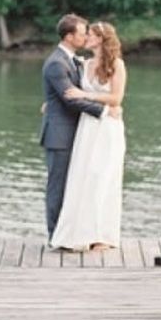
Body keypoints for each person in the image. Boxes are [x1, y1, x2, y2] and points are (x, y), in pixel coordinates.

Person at [49, 21, 126, 251]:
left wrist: (86, 94)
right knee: (83, 178)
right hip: (87, 128)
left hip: (107, 128)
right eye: (86, 33)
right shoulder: (84, 64)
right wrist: (50, 104)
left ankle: (103, 236)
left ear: (102, 39)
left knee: (103, 178)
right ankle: (80, 234)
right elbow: (66, 92)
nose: (87, 38)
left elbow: (116, 99)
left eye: (91, 34)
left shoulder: (117, 65)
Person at [40, 13, 106, 242]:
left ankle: (67, 233)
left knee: (73, 185)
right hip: (59, 136)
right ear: (69, 36)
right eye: (82, 33)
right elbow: (71, 99)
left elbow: (67, 93)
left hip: (74, 133)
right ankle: (54, 236)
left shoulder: (72, 60)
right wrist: (104, 112)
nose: (86, 36)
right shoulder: (57, 63)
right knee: (57, 187)